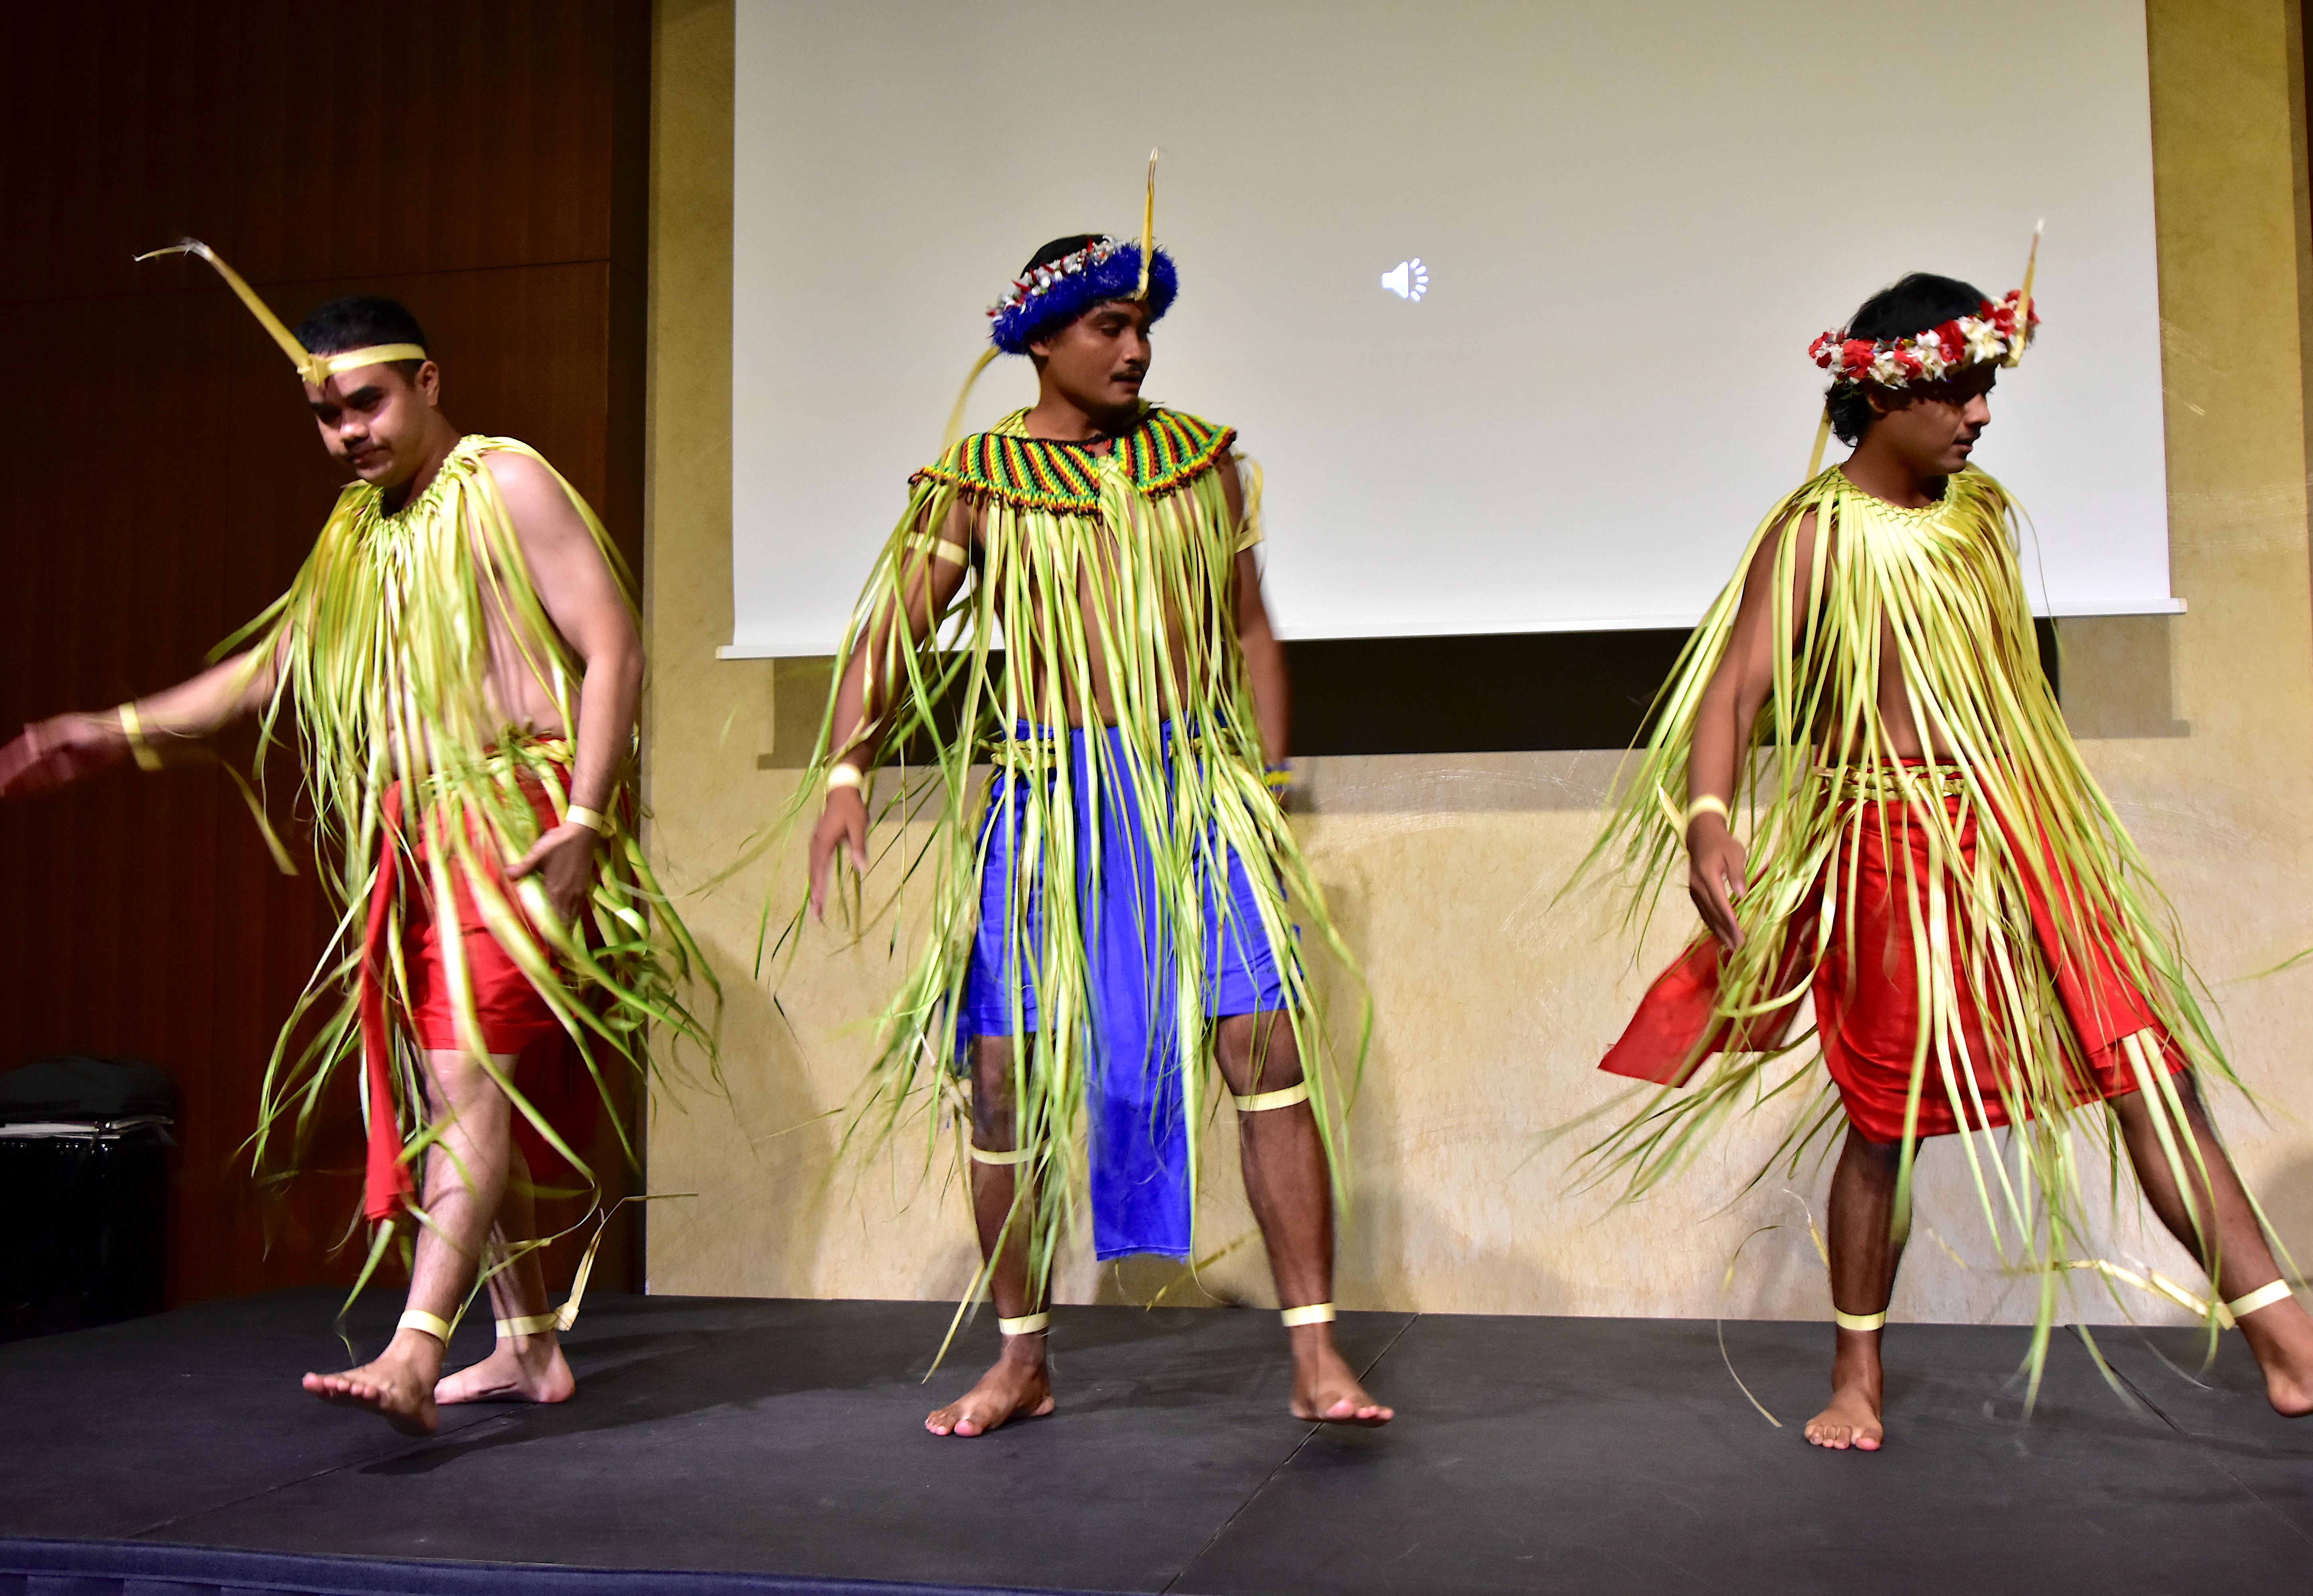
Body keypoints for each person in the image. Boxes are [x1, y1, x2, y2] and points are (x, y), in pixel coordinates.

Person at [1582, 266, 2313, 1452]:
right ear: (1889, 393)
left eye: (1986, 387)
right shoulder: (1817, 535)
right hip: (1890, 846)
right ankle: (1855, 1373)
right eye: (1959, 390)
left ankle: (2291, 1348)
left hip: (2020, 831)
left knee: (2148, 1068)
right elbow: (1736, 688)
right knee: (1886, 1122)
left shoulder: (1982, 515)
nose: (1980, 413)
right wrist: (1710, 819)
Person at [0, 244, 714, 1435]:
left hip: (519, 811)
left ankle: (416, 1350)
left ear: (428, 381)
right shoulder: (355, 531)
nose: (346, 432)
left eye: (366, 403)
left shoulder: (506, 480)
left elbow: (614, 647)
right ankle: (529, 1346)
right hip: (421, 830)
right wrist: (114, 729)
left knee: (463, 1074)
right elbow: (276, 667)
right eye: (325, 415)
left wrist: (587, 816)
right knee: (457, 1079)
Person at [782, 220, 1389, 1436]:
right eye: (1110, 328)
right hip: (1050, 798)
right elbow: (892, 629)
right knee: (1003, 1077)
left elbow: (1250, 632)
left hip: (1191, 786)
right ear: (1040, 339)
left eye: (1145, 327)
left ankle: (1316, 1354)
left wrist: (1262, 788)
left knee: (1265, 1054)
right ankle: (1022, 1359)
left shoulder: (1199, 465)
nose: (1138, 349)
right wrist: (846, 769)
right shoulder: (979, 482)